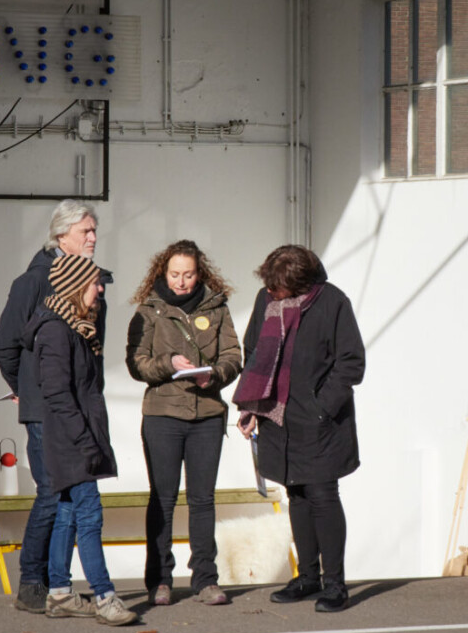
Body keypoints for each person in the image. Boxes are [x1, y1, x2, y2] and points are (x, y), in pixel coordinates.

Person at [0, 198, 105, 614]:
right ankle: (31, 583)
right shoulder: (35, 281)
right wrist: (24, 387)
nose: (93, 238)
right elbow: (4, 343)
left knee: (69, 497)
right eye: (85, 231)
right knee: (53, 494)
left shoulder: (90, 278)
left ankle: (58, 585)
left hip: (76, 406)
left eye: (94, 231)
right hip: (44, 409)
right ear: (61, 235)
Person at [236, 245, 365, 613]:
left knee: (323, 496)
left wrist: (321, 408)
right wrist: (251, 405)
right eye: (269, 285)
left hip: (321, 422)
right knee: (297, 495)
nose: (270, 292)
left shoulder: (332, 302)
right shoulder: (266, 299)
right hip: (278, 417)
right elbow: (253, 351)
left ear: (298, 285)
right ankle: (307, 577)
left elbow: (351, 362)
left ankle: (335, 585)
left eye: (277, 287)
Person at [126, 240, 243, 606]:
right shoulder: (149, 310)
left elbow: (233, 355)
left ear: (199, 273)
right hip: (162, 415)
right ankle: (159, 580)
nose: (181, 282)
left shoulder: (217, 307)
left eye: (188, 275)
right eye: (175, 274)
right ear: (163, 273)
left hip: (207, 415)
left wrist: (215, 374)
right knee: (162, 499)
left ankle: (205, 579)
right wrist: (168, 363)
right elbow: (136, 363)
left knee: (202, 499)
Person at [31, 252, 138, 626]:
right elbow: (58, 394)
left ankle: (60, 593)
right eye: (94, 283)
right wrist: (85, 440)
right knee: (90, 514)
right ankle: (105, 597)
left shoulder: (78, 328)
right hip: (71, 441)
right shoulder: (56, 331)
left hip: (78, 436)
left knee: (67, 512)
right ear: (76, 286)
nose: (100, 289)